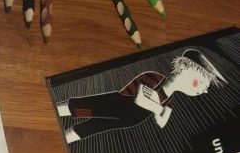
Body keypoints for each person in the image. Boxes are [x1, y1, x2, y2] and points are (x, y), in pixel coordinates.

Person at [57, 49, 226, 143]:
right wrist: (158, 109)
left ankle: (60, 140)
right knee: (78, 107)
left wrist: (157, 108)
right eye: (200, 83)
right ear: (182, 68)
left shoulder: (170, 100)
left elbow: (161, 123)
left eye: (205, 88)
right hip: (113, 105)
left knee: (88, 129)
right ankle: (53, 110)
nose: (203, 90)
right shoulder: (155, 77)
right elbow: (139, 99)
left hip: (123, 121)